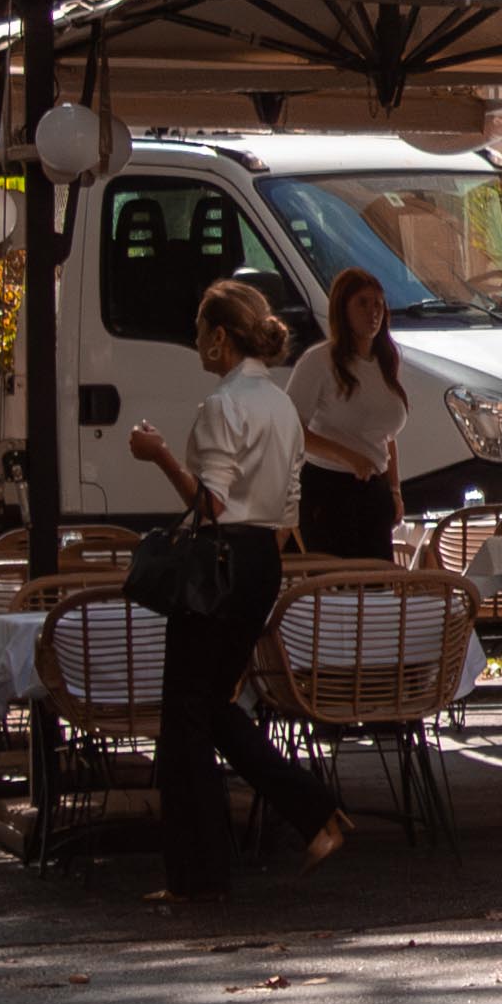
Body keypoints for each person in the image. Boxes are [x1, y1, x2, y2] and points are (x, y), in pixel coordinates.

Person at [124, 278, 339, 897]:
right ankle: (312, 810)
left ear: (220, 338)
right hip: (260, 560)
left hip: (221, 560)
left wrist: (160, 455)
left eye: (199, 332)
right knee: (212, 708)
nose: (196, 343)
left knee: (185, 720)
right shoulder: (280, 406)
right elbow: (288, 507)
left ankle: (198, 872)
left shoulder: (223, 405)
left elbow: (210, 504)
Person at [286, 267, 410, 562]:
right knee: (336, 587)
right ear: (343, 309)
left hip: (373, 489)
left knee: (376, 587)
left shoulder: (386, 361)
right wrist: (348, 457)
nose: (373, 313)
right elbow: (291, 429)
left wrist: (394, 489)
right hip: (329, 488)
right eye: (363, 303)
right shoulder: (319, 360)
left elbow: (386, 436)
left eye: (378, 304)